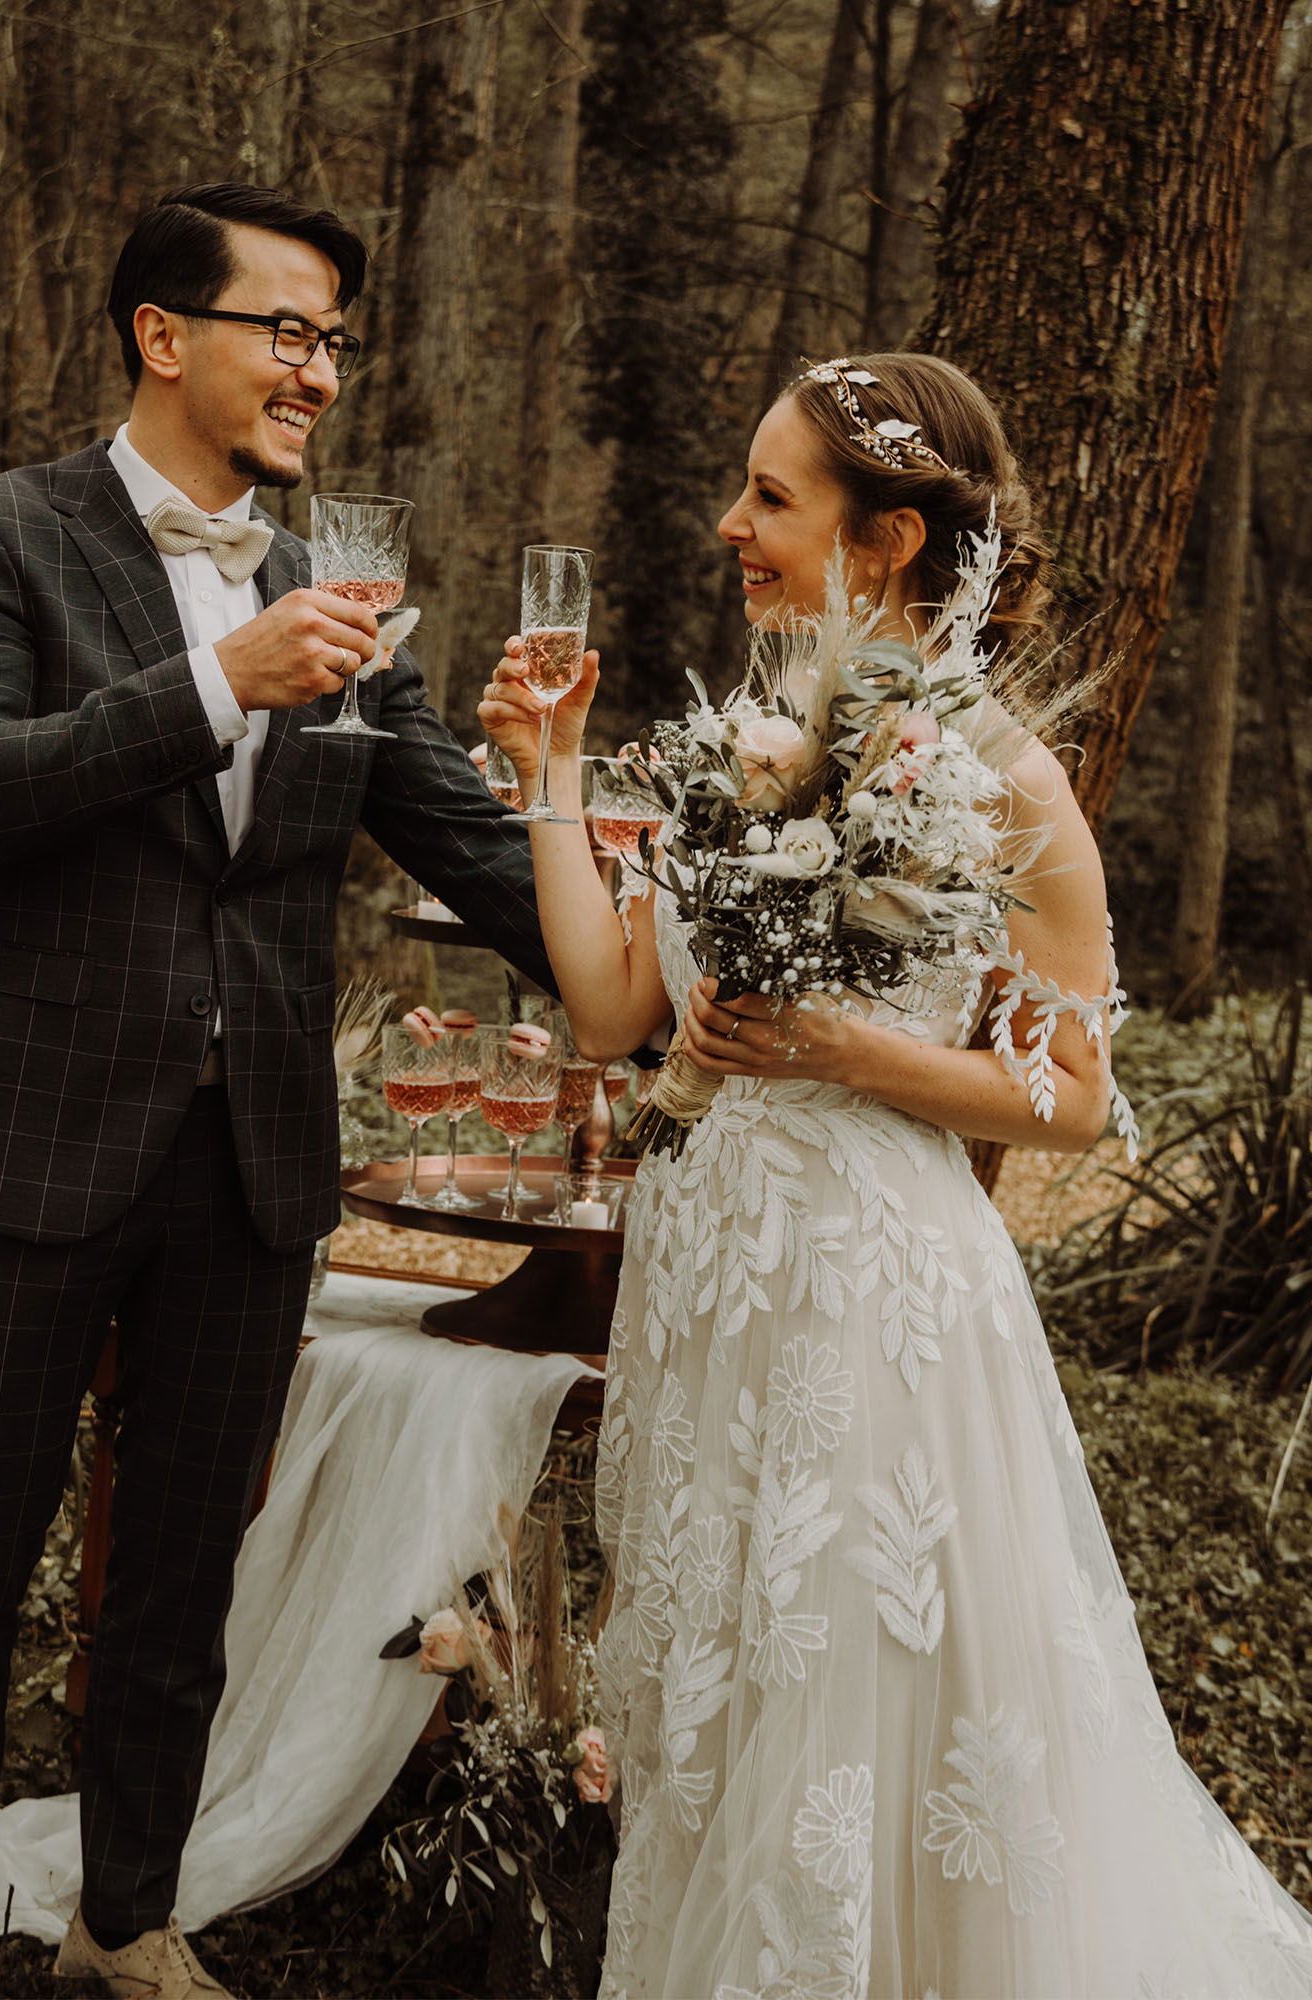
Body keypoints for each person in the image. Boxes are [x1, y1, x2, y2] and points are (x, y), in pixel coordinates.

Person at [481, 354, 1312, 1998]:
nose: (733, 523)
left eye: (772, 498)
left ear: (888, 544)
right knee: (730, 1687)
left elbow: (1071, 1101)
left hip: (874, 1307)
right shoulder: (747, 740)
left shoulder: (1006, 777)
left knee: (860, 1682)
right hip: (712, 1280)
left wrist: (843, 1053)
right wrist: (552, 768)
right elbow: (611, 1007)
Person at [0, 181, 551, 2000]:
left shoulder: (337, 595)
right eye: (286, 330)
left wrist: (703, 935)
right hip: (24, 1137)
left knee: (177, 1579)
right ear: (166, 335)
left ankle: (125, 1914)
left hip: (252, 1165)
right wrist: (211, 682)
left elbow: (477, 856)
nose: (320, 370)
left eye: (335, 339)